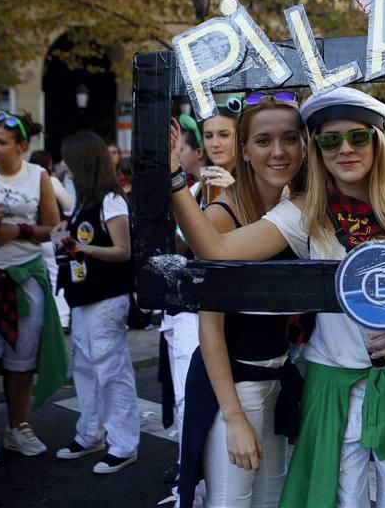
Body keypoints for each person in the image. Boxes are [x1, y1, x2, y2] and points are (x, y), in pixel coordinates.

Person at [171, 87, 385, 508]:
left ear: (379, 140)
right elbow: (217, 252)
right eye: (330, 140)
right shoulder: (304, 209)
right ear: (317, 148)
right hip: (335, 380)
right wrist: (173, 179)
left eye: (359, 137)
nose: (345, 149)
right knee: (338, 497)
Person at [176, 91, 308, 508]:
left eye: (290, 139)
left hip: (276, 380)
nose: (279, 151)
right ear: (245, 151)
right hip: (234, 388)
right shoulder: (222, 215)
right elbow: (209, 326)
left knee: (270, 500)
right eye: (263, 141)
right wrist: (233, 416)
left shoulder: (290, 207)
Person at [0, 110, 69, 467]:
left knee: (22, 361)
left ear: (22, 146)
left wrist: (15, 231)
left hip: (24, 276)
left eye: (1, 142)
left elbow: (52, 225)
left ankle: (20, 427)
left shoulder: (38, 175)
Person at [161, 98, 240, 485]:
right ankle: (189, 480)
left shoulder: (258, 188)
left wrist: (234, 194)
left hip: (244, 321)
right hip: (197, 313)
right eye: (209, 135)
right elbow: (182, 249)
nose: (215, 143)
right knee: (189, 402)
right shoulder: (192, 190)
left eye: (224, 134)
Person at [53, 131, 140, 474]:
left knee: (110, 368)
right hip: (83, 295)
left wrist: (85, 249)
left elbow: (123, 251)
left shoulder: (110, 200)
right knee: (86, 367)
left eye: (69, 159)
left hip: (106, 297)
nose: (64, 165)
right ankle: (90, 433)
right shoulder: (84, 200)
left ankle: (123, 443)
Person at [29, 150, 74, 330]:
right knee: (58, 275)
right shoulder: (52, 180)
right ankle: (62, 318)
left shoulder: (27, 181)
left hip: (34, 233)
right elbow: (69, 205)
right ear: (48, 163)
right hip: (56, 232)